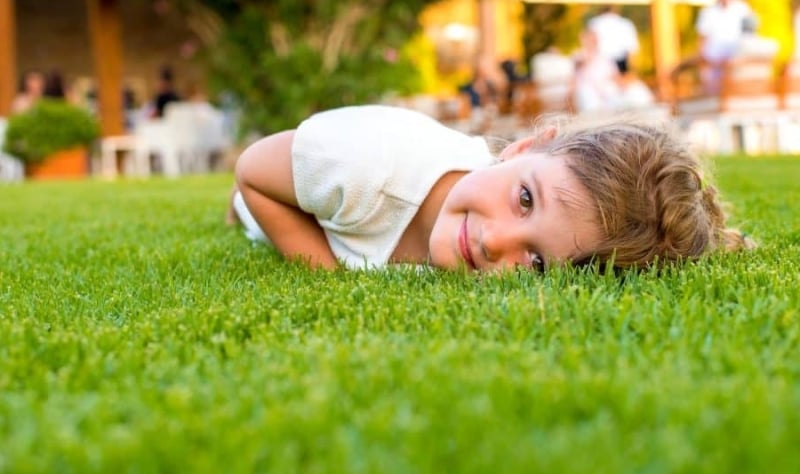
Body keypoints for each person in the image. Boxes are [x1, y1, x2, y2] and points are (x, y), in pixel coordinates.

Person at [226, 105, 754, 272]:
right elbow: (251, 169)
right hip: (288, 190)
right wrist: (328, 270)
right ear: (522, 148)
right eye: (525, 199)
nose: (495, 242)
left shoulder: (490, 232)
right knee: (246, 209)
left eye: (539, 261)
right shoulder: (365, 167)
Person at [696, 0, 754, 94]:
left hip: (735, 59)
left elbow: (749, 34)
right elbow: (703, 38)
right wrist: (704, 60)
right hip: (715, 61)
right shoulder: (708, 12)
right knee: (715, 90)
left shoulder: (742, 8)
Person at [587, 5, 640, 75]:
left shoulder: (594, 23)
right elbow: (631, 50)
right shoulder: (626, 24)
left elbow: (589, 46)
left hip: (599, 64)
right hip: (619, 64)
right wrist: (631, 71)